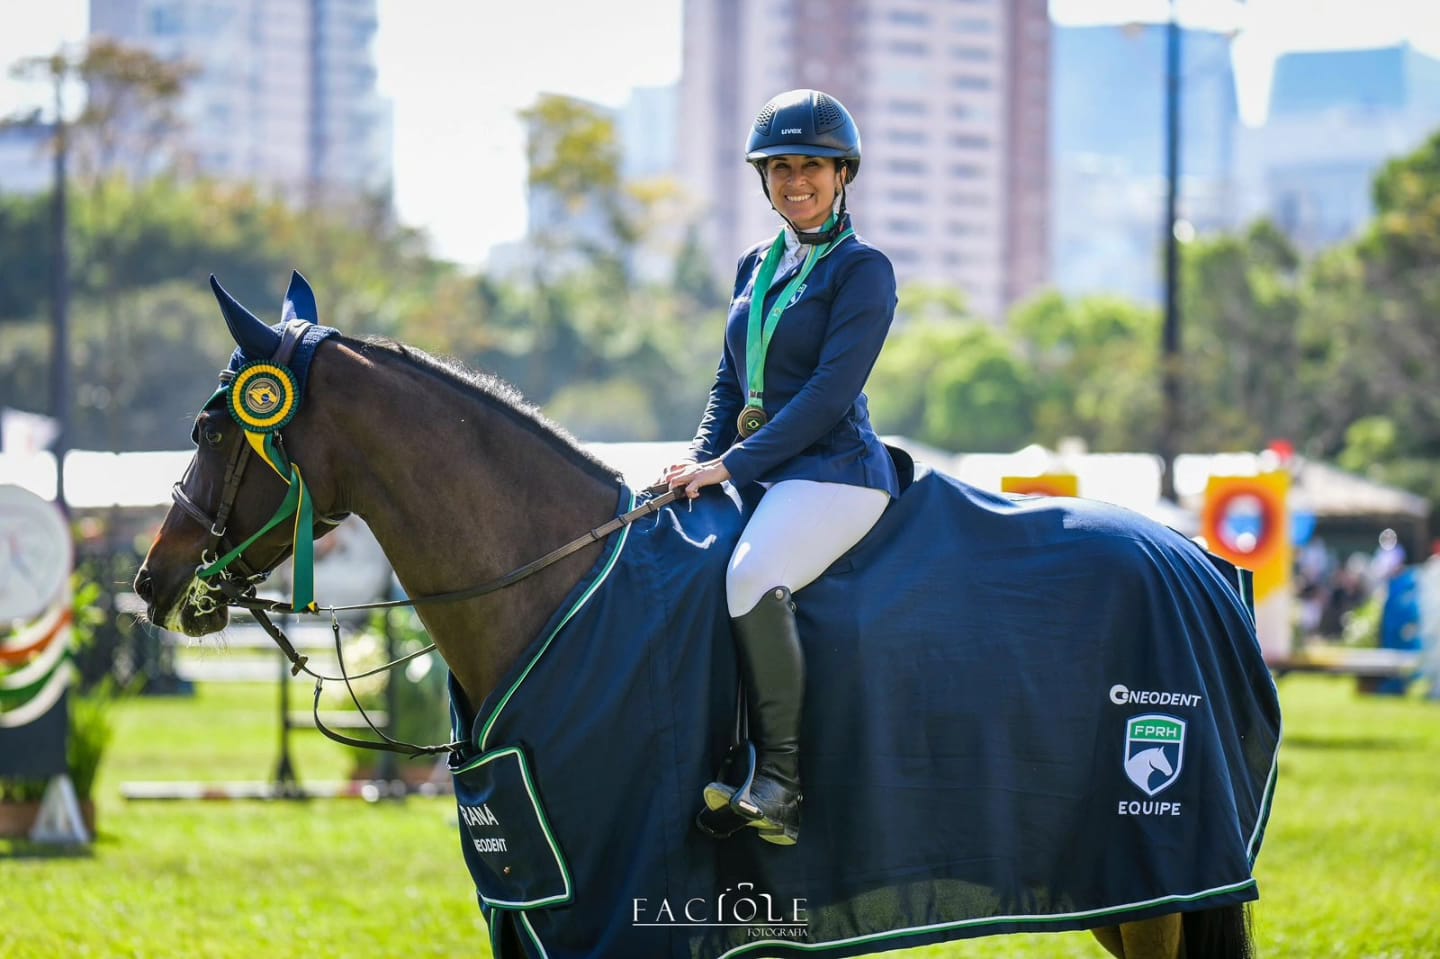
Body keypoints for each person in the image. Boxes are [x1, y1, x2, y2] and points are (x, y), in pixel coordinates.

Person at [662, 89, 900, 846]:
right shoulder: (754, 267)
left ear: (843, 175)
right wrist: (696, 462)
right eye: (780, 168)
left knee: (745, 576)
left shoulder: (863, 271)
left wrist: (730, 465)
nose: (796, 180)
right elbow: (731, 384)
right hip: (764, 469)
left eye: (813, 167)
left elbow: (829, 397)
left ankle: (783, 784)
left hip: (834, 471)